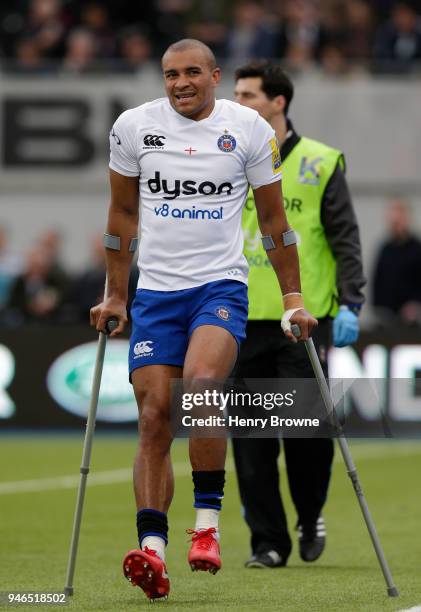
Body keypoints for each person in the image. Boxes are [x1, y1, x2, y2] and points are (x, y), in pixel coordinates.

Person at [90, 39, 317, 601]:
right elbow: (121, 217)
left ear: (215, 76)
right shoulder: (133, 127)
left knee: (204, 389)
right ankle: (152, 551)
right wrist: (115, 296)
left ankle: (208, 530)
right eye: (171, 74)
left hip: (219, 287)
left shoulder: (248, 130)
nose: (181, 83)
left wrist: (292, 298)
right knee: (152, 418)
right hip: (157, 294)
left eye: (193, 72)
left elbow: (274, 223)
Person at [233, 60, 365, 569]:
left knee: (306, 436)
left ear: (278, 101)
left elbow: (344, 239)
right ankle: (267, 542)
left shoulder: (320, 161)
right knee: (250, 441)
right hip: (239, 319)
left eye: (247, 95)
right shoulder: (230, 160)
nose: (238, 103)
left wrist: (351, 302)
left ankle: (310, 515)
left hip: (301, 322)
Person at [372, 197, 421, 324]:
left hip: (413, 321)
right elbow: (378, 282)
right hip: (387, 319)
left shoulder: (417, 249)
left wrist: (415, 305)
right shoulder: (385, 249)